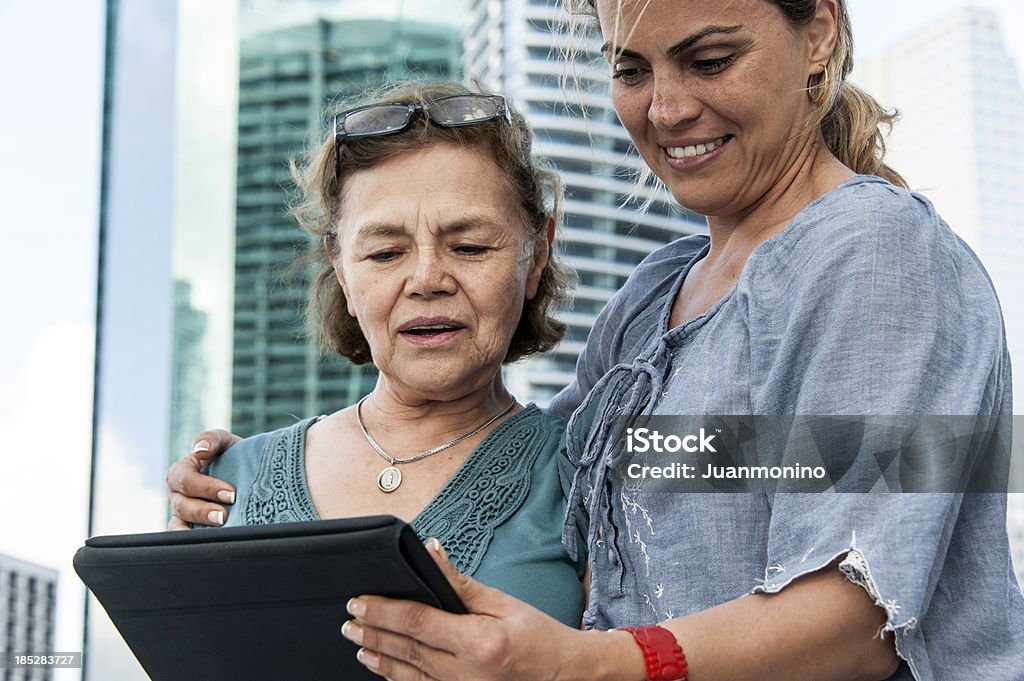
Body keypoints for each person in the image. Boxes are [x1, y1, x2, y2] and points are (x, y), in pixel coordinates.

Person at [171, 1, 1024, 679]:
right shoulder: (655, 294)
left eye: (710, 59)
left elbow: (860, 613)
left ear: (819, 34)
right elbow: (519, 458)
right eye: (631, 68)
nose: (667, 107)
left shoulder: (876, 252)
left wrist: (590, 665)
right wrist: (253, 488)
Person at [166, 80, 586, 627]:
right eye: (386, 252)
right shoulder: (225, 480)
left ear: (535, 256)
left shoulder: (591, 471)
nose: (427, 279)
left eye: (470, 247)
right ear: (341, 269)